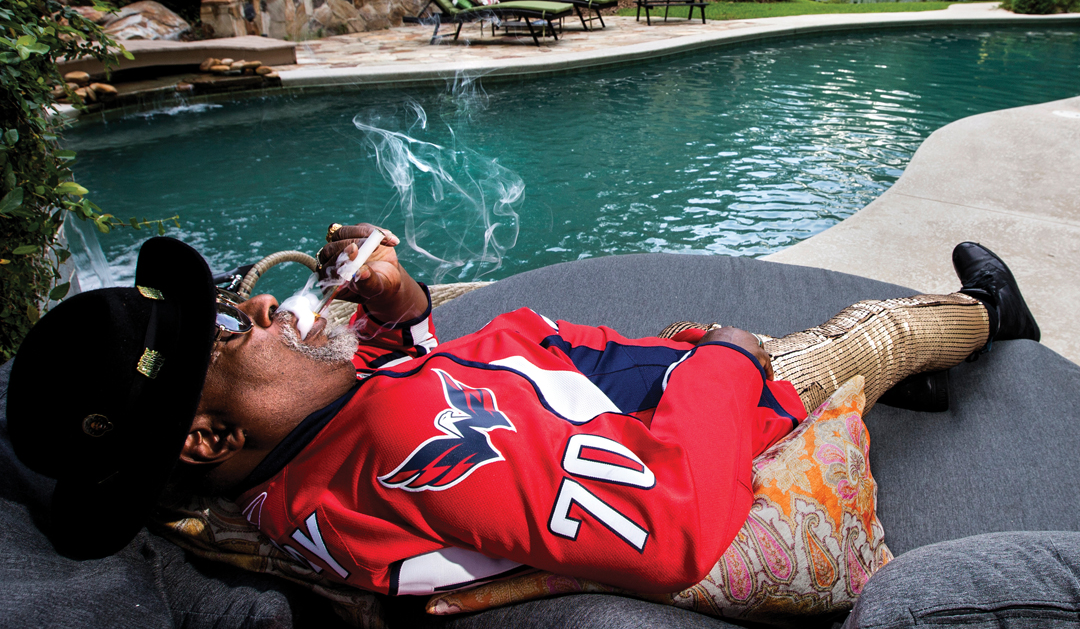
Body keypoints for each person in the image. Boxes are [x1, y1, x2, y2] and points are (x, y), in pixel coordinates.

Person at [6, 225, 1040, 597]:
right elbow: (674, 525)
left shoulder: (301, 472)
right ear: (210, 437)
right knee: (862, 338)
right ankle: (988, 321)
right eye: (230, 337)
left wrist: (402, 309)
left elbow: (385, 400)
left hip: (572, 395)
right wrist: (723, 365)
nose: (263, 311)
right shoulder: (420, 457)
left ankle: (912, 367)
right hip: (664, 413)